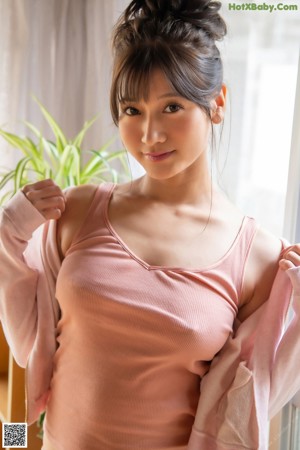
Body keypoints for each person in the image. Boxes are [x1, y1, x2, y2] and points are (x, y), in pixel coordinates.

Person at [0, 1, 300, 449]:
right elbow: (25, 356)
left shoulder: (257, 257)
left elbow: (245, 409)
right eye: (132, 110)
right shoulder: (78, 213)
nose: (149, 135)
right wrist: (10, 229)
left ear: (217, 104)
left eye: (172, 107)